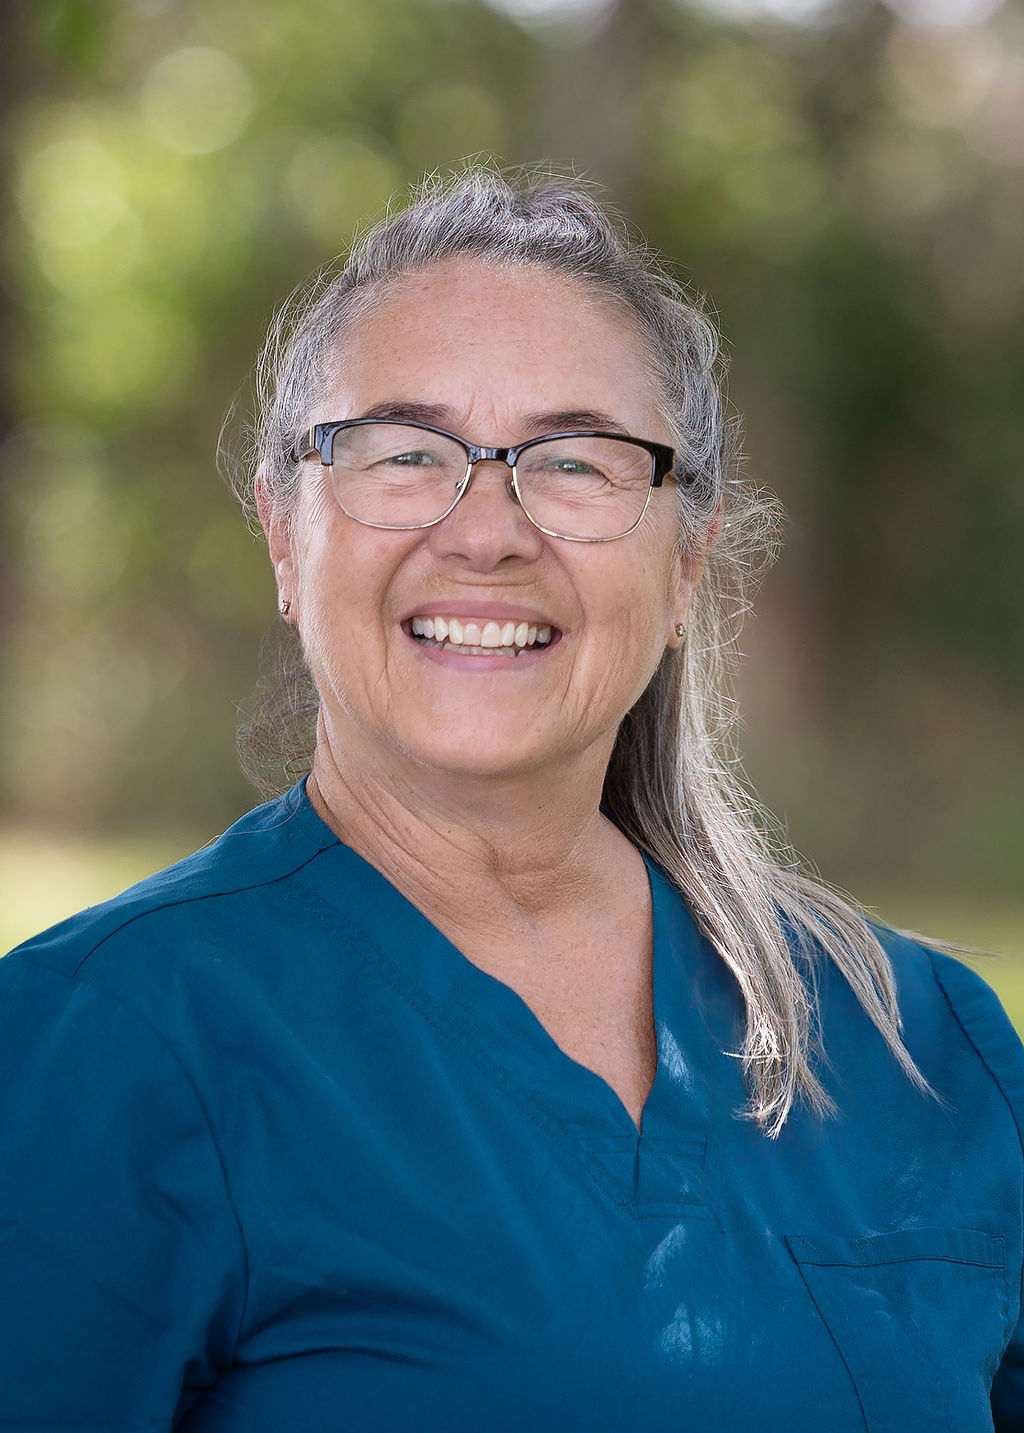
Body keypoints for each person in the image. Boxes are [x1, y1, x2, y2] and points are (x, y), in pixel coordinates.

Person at [1, 167, 1021, 1432]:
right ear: (282, 534)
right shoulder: (96, 1045)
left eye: (578, 462)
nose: (486, 529)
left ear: (686, 562)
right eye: (402, 453)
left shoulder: (925, 1043)